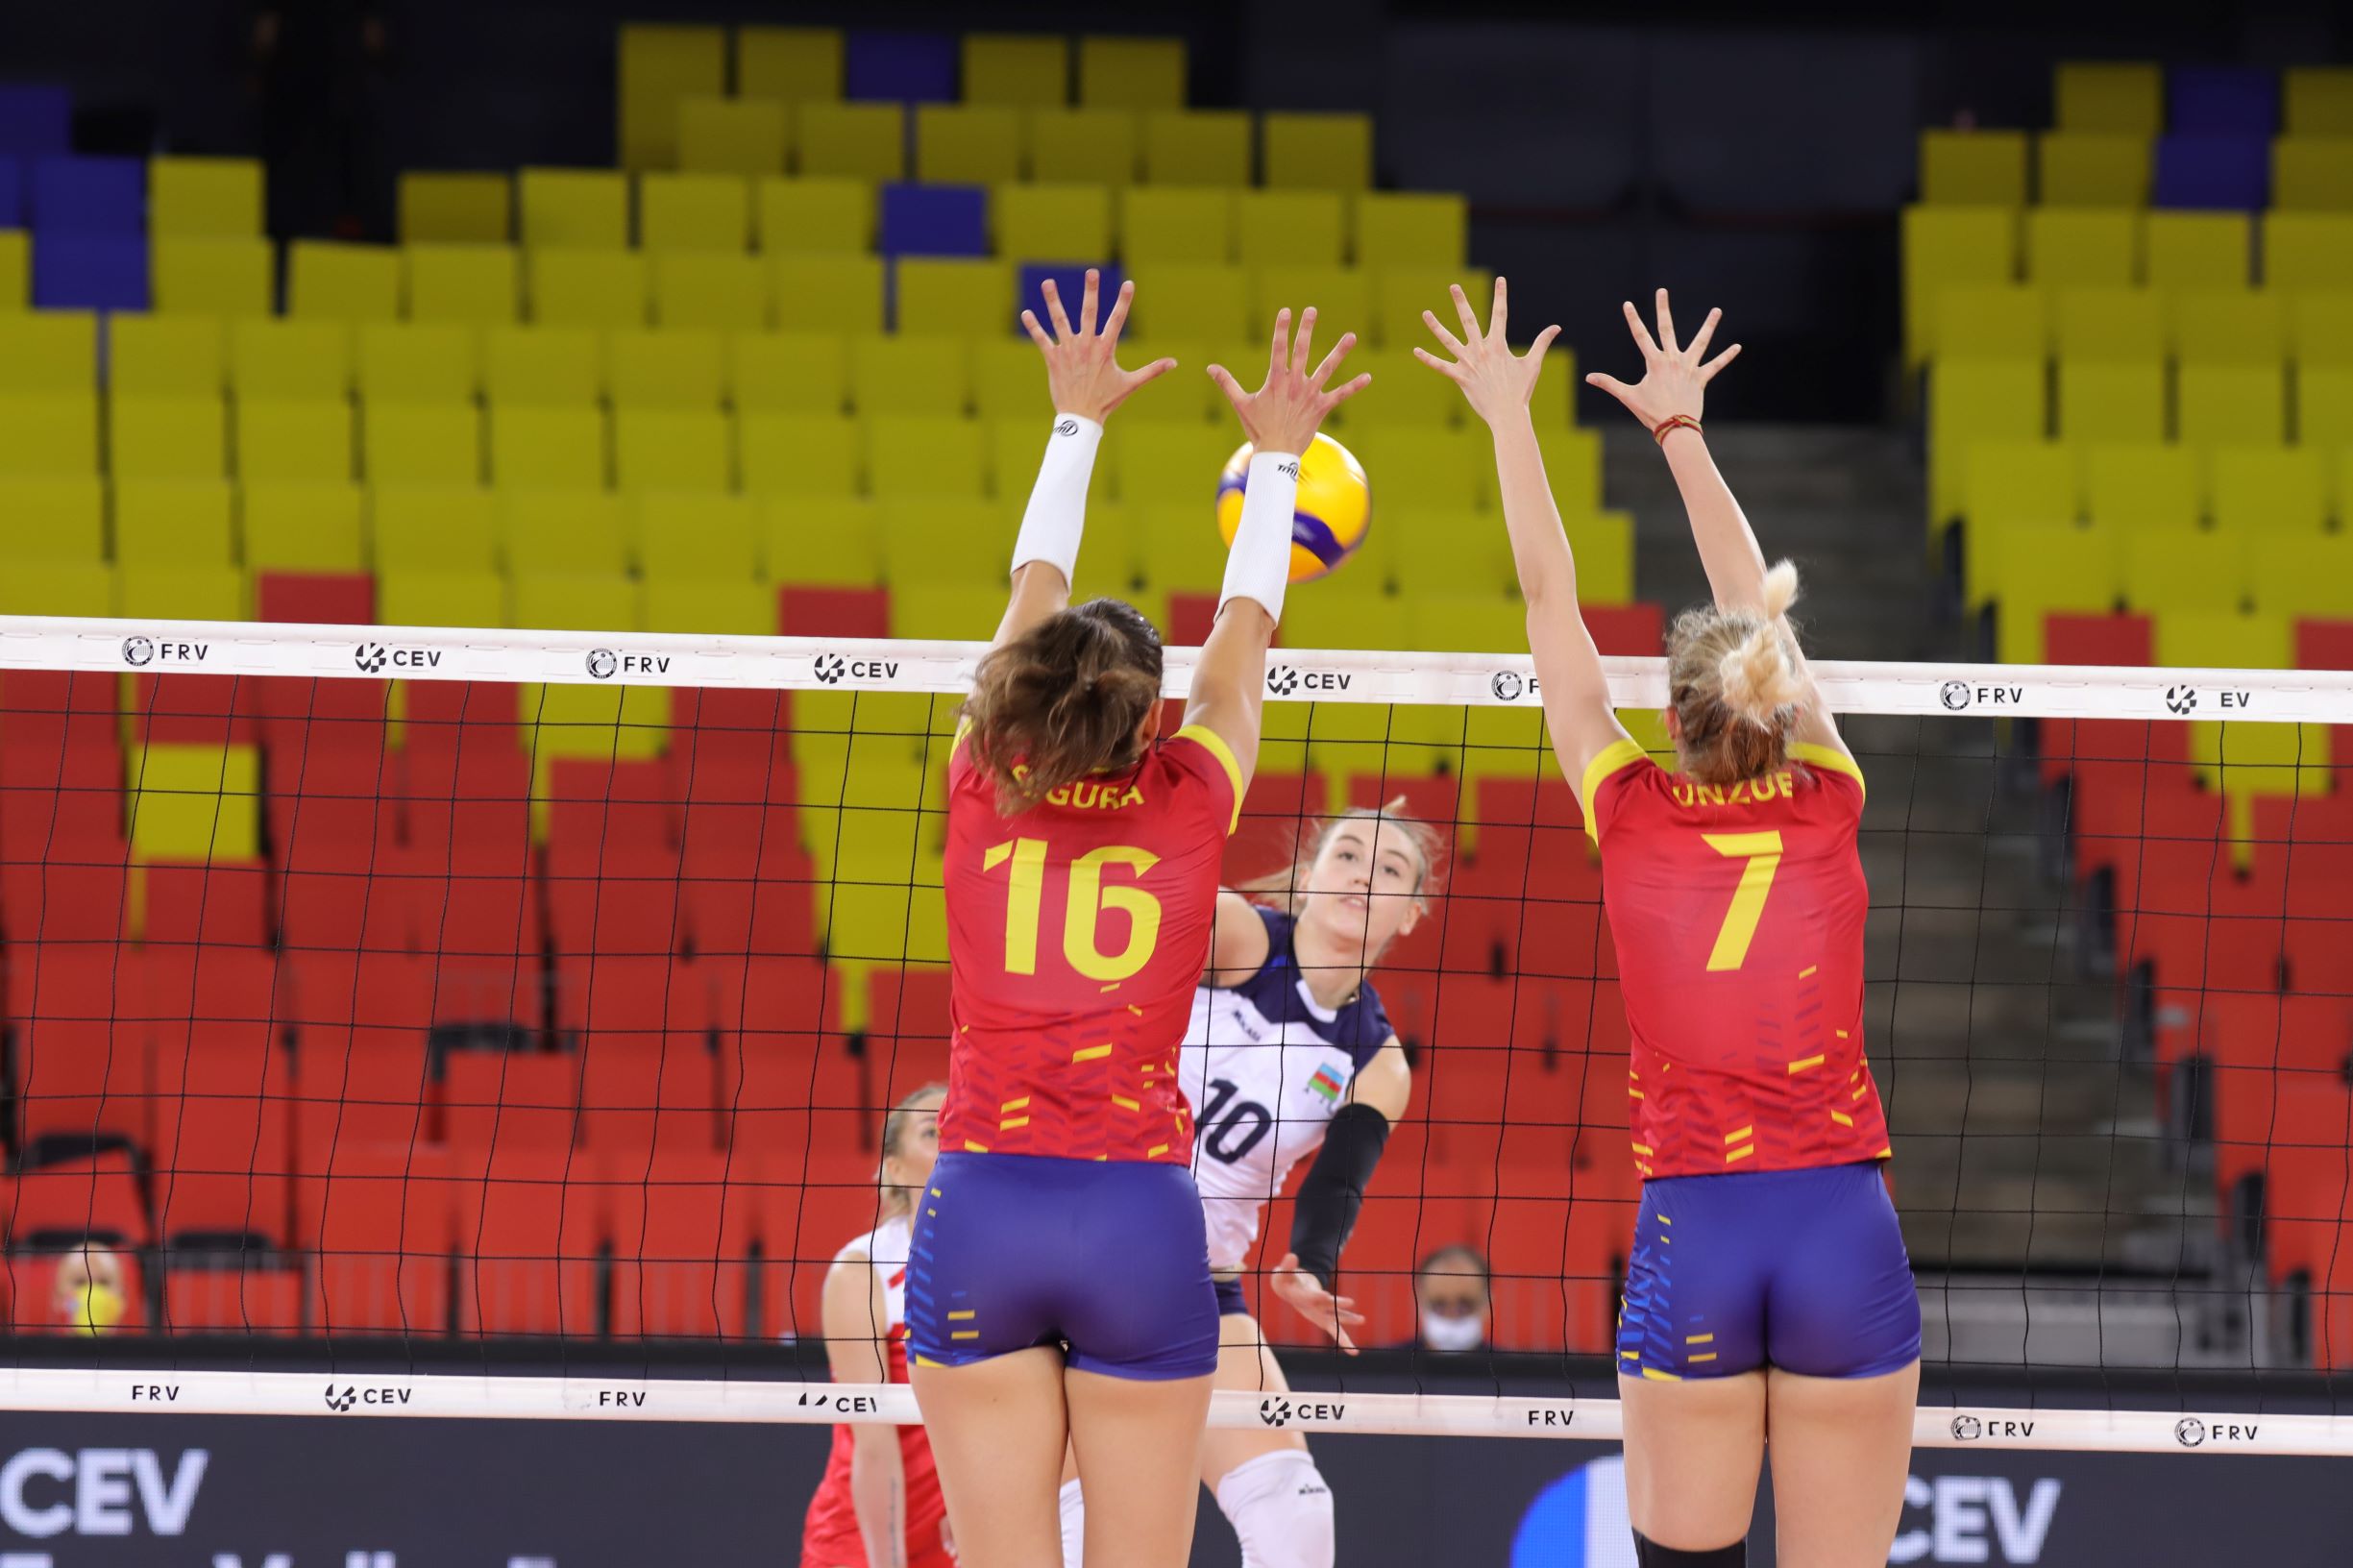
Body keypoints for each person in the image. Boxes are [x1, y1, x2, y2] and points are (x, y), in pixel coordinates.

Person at [1416, 281, 1919, 1568]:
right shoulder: (1828, 798)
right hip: (1840, 1225)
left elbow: (1549, 601)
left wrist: (1509, 421)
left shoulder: (1629, 809)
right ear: (1778, 703)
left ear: (1669, 720)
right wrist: (1682, 433)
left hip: (1698, 1224)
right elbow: (1758, 608)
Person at [908, 270, 1368, 1568]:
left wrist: (1076, 419)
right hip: (1136, 1220)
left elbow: (1032, 584)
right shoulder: (1189, 795)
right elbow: (1244, 631)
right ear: (1149, 714)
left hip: (983, 1202)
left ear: (1021, 696)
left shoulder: (981, 778)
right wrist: (1277, 462)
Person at [1058, 802, 1440, 1568]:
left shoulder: (1376, 1062)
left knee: (1295, 1510)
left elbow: (1338, 1181)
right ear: (1307, 876)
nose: (1363, 876)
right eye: (1346, 855)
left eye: (1390, 869)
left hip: (1200, 1284)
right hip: (1079, 1256)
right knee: (1080, 1520)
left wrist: (1312, 1263)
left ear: (1409, 914)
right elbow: (1121, 929)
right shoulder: (1238, 937)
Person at [801, 1087, 952, 1568]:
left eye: (959, 1124)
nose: (950, 1136)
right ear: (896, 1169)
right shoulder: (862, 1270)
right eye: (931, 1132)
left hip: (968, 1523)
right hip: (866, 1534)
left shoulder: (1014, 1261)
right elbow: (873, 1442)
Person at [1409, 1244, 1492, 1353]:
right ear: (1419, 1302)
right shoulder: (1391, 1360)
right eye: (1439, 1305)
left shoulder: (1507, 1363)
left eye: (1464, 1306)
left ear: (1488, 1304)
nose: (1451, 1316)